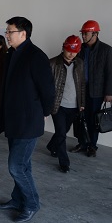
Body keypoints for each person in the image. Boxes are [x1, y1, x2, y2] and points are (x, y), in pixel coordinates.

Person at [0, 17, 55, 222]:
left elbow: (48, 89)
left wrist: (44, 112)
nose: (6, 35)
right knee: (23, 164)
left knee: (16, 166)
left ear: (23, 33)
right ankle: (17, 200)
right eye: (6, 31)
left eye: (9, 32)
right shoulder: (12, 53)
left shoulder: (36, 56)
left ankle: (32, 204)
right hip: (14, 119)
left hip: (29, 120)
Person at [71, 20, 112, 157]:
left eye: (86, 33)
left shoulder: (106, 50)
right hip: (80, 90)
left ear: (95, 34)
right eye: (83, 33)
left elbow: (110, 72)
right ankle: (82, 143)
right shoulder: (80, 49)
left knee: (93, 120)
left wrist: (108, 93)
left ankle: (92, 146)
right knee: (79, 118)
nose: (83, 36)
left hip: (96, 92)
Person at [47, 36, 86, 173]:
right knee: (61, 133)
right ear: (63, 48)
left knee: (62, 131)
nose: (71, 54)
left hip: (74, 106)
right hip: (58, 105)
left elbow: (82, 84)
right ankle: (64, 163)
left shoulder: (80, 63)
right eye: (69, 50)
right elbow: (47, 86)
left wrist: (82, 103)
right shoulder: (52, 63)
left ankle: (51, 146)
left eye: (74, 51)